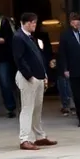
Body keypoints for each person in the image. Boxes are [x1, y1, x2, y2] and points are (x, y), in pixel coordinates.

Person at [12, 12, 56, 151]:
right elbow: (19, 59)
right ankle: (24, 139)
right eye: (31, 22)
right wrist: (29, 76)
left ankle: (39, 136)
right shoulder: (18, 37)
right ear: (24, 23)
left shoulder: (31, 37)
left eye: (35, 22)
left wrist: (44, 74)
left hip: (38, 76)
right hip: (28, 78)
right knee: (27, 108)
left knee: (37, 108)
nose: (34, 25)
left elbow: (39, 57)